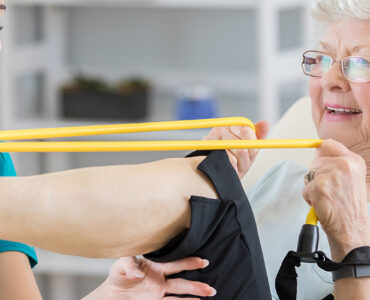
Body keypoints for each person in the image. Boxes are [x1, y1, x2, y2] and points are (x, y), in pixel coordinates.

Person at [87, 0, 370, 299]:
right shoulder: (280, 182)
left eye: (362, 64)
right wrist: (119, 293)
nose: (329, 79)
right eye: (324, 59)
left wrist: (350, 241)